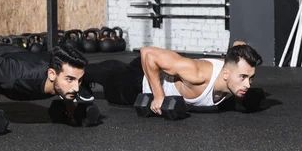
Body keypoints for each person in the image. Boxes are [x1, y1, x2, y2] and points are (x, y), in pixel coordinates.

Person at [83, 42, 264, 113]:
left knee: (115, 69)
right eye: (242, 77)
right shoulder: (197, 74)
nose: (247, 84)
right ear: (226, 74)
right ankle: (79, 71)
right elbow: (148, 53)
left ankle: (113, 66)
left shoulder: (230, 70)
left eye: (250, 78)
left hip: (150, 72)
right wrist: (159, 95)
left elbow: (238, 44)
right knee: (108, 80)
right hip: (138, 81)